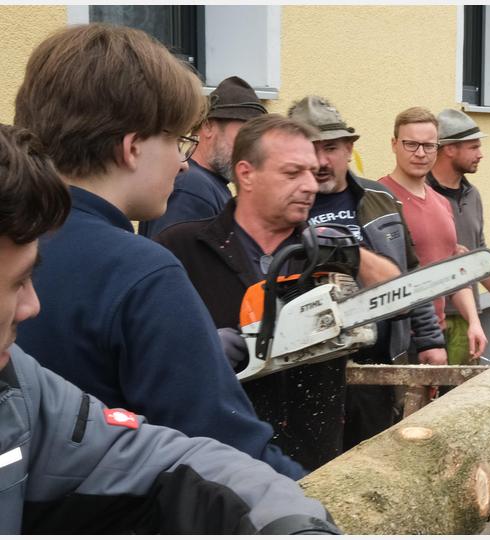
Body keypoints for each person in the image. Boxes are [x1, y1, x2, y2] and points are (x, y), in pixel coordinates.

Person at [0, 122, 339, 534]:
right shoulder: (157, 261)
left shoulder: (22, 386)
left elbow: (157, 456)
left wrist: (293, 521)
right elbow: (218, 430)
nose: (31, 306)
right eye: (16, 282)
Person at [14, 24, 304, 480]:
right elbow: (229, 452)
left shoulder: (15, 242)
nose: (183, 163)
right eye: (177, 141)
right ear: (132, 148)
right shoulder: (140, 271)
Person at [158, 114, 402, 469]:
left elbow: (397, 294)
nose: (310, 186)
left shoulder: (322, 251)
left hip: (312, 450)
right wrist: (205, 345)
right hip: (215, 456)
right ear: (246, 174)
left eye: (312, 172)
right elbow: (153, 352)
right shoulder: (183, 247)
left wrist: (349, 251)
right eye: (292, 173)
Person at [287, 95, 446, 450]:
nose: (321, 161)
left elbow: (410, 272)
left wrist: (431, 340)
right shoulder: (285, 206)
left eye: (330, 148)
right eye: (310, 148)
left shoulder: (381, 198)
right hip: (308, 370)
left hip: (379, 363)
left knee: (375, 457)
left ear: (349, 148)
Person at [379, 107, 487, 361]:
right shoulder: (378, 200)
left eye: (428, 146)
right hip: (396, 341)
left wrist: (473, 321)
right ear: (394, 145)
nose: (420, 153)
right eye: (411, 144)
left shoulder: (442, 203)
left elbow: (453, 272)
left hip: (437, 335)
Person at [427, 109, 490, 366]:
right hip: (430, 318)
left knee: (463, 387)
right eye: (473, 147)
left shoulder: (472, 194)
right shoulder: (422, 193)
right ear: (449, 149)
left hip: (467, 317)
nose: (480, 154)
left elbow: (479, 254)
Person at [138, 76, 267, 238]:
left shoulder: (207, 185)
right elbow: (175, 250)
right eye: (242, 135)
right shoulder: (191, 187)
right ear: (208, 126)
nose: (248, 148)